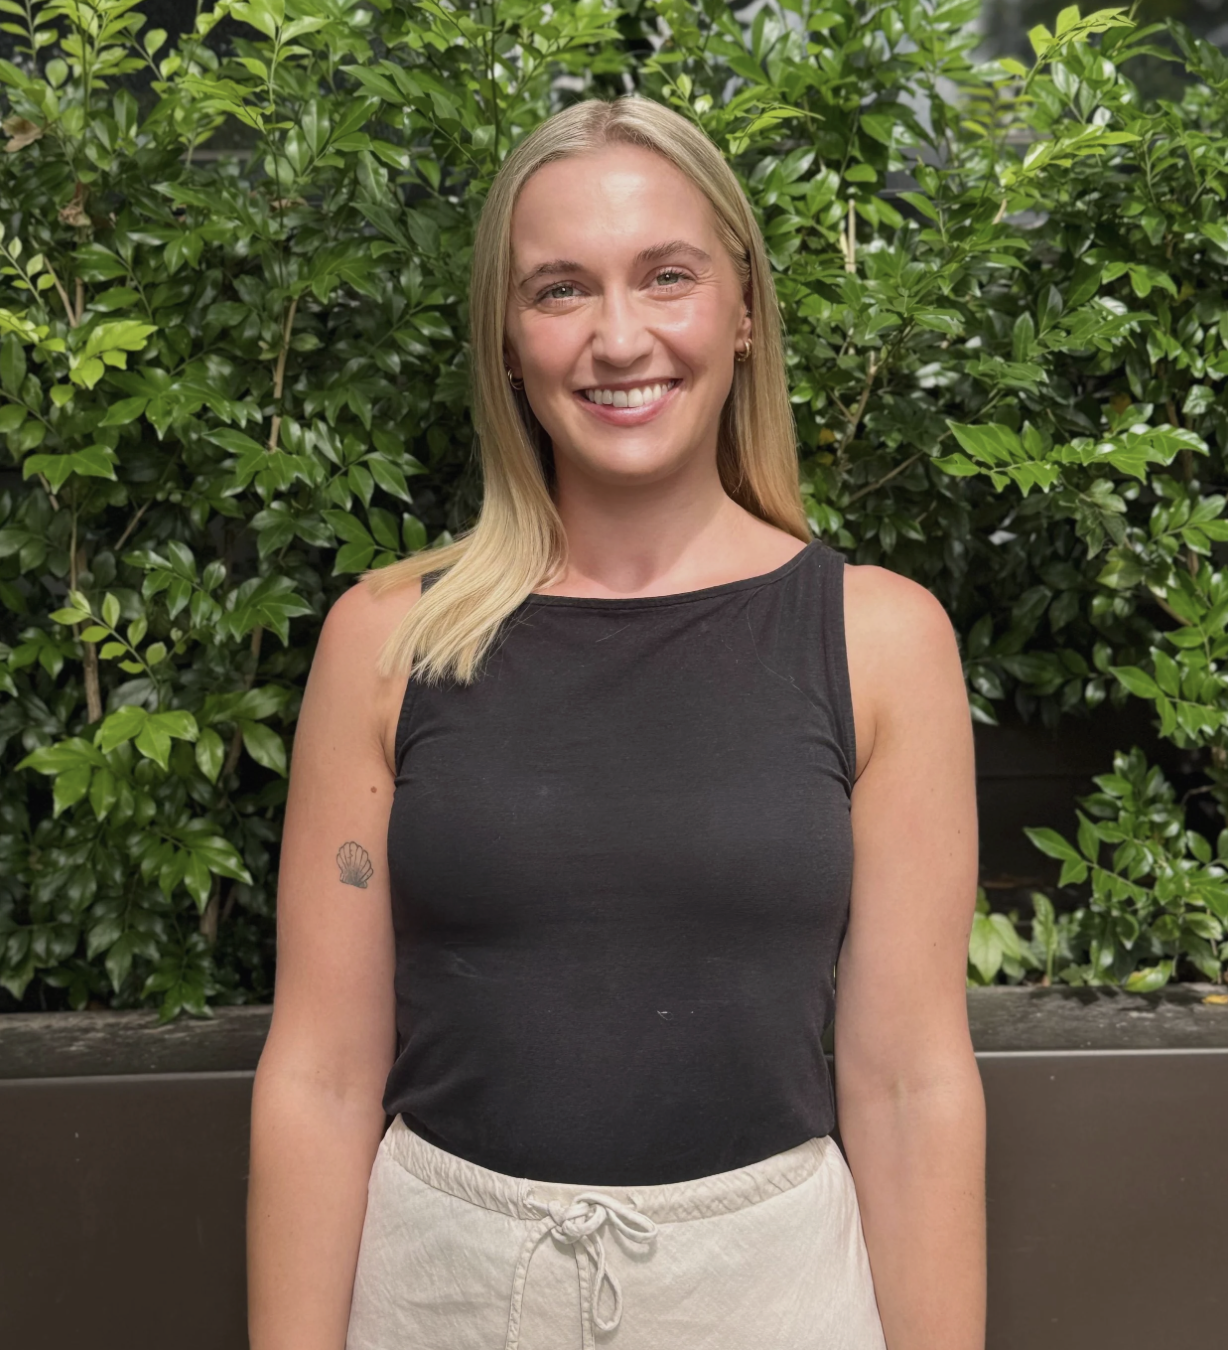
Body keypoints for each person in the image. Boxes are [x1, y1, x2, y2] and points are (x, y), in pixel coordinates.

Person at [247, 95, 985, 1350]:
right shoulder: (387, 641)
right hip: (444, 1291)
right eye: (559, 290)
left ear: (744, 310)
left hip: (772, 1291)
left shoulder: (877, 640)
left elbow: (911, 1085)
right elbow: (318, 1078)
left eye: (666, 276)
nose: (618, 335)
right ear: (506, 337)